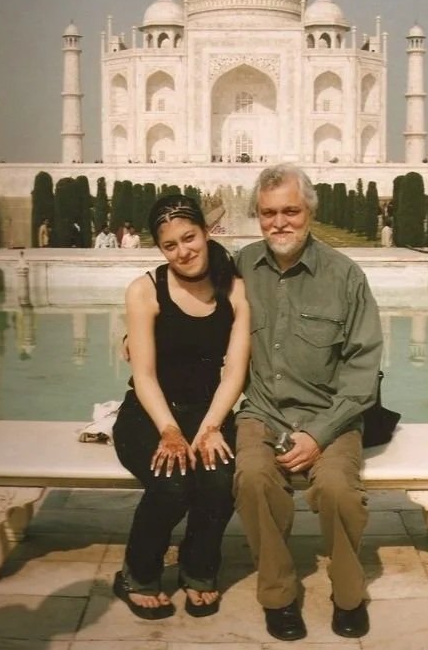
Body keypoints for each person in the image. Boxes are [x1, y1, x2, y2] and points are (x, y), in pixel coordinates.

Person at [233, 164, 383, 641]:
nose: (279, 222)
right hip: (263, 412)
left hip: (330, 415)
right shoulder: (240, 267)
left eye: (290, 211)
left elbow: (363, 373)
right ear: (257, 216)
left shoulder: (344, 275)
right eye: (268, 213)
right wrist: (138, 329)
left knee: (338, 490)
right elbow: (184, 289)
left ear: (309, 212)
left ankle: (348, 593)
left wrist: (319, 434)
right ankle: (278, 595)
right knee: (254, 479)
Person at [112, 194, 250, 621]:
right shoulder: (146, 290)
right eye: (170, 245)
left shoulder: (235, 290)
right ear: (160, 249)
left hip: (209, 411)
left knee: (219, 480)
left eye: (189, 238)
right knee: (173, 484)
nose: (183, 251)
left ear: (207, 233)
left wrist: (209, 428)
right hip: (150, 413)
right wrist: (171, 431)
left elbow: (235, 373)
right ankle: (137, 572)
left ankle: (199, 567)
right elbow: (146, 374)